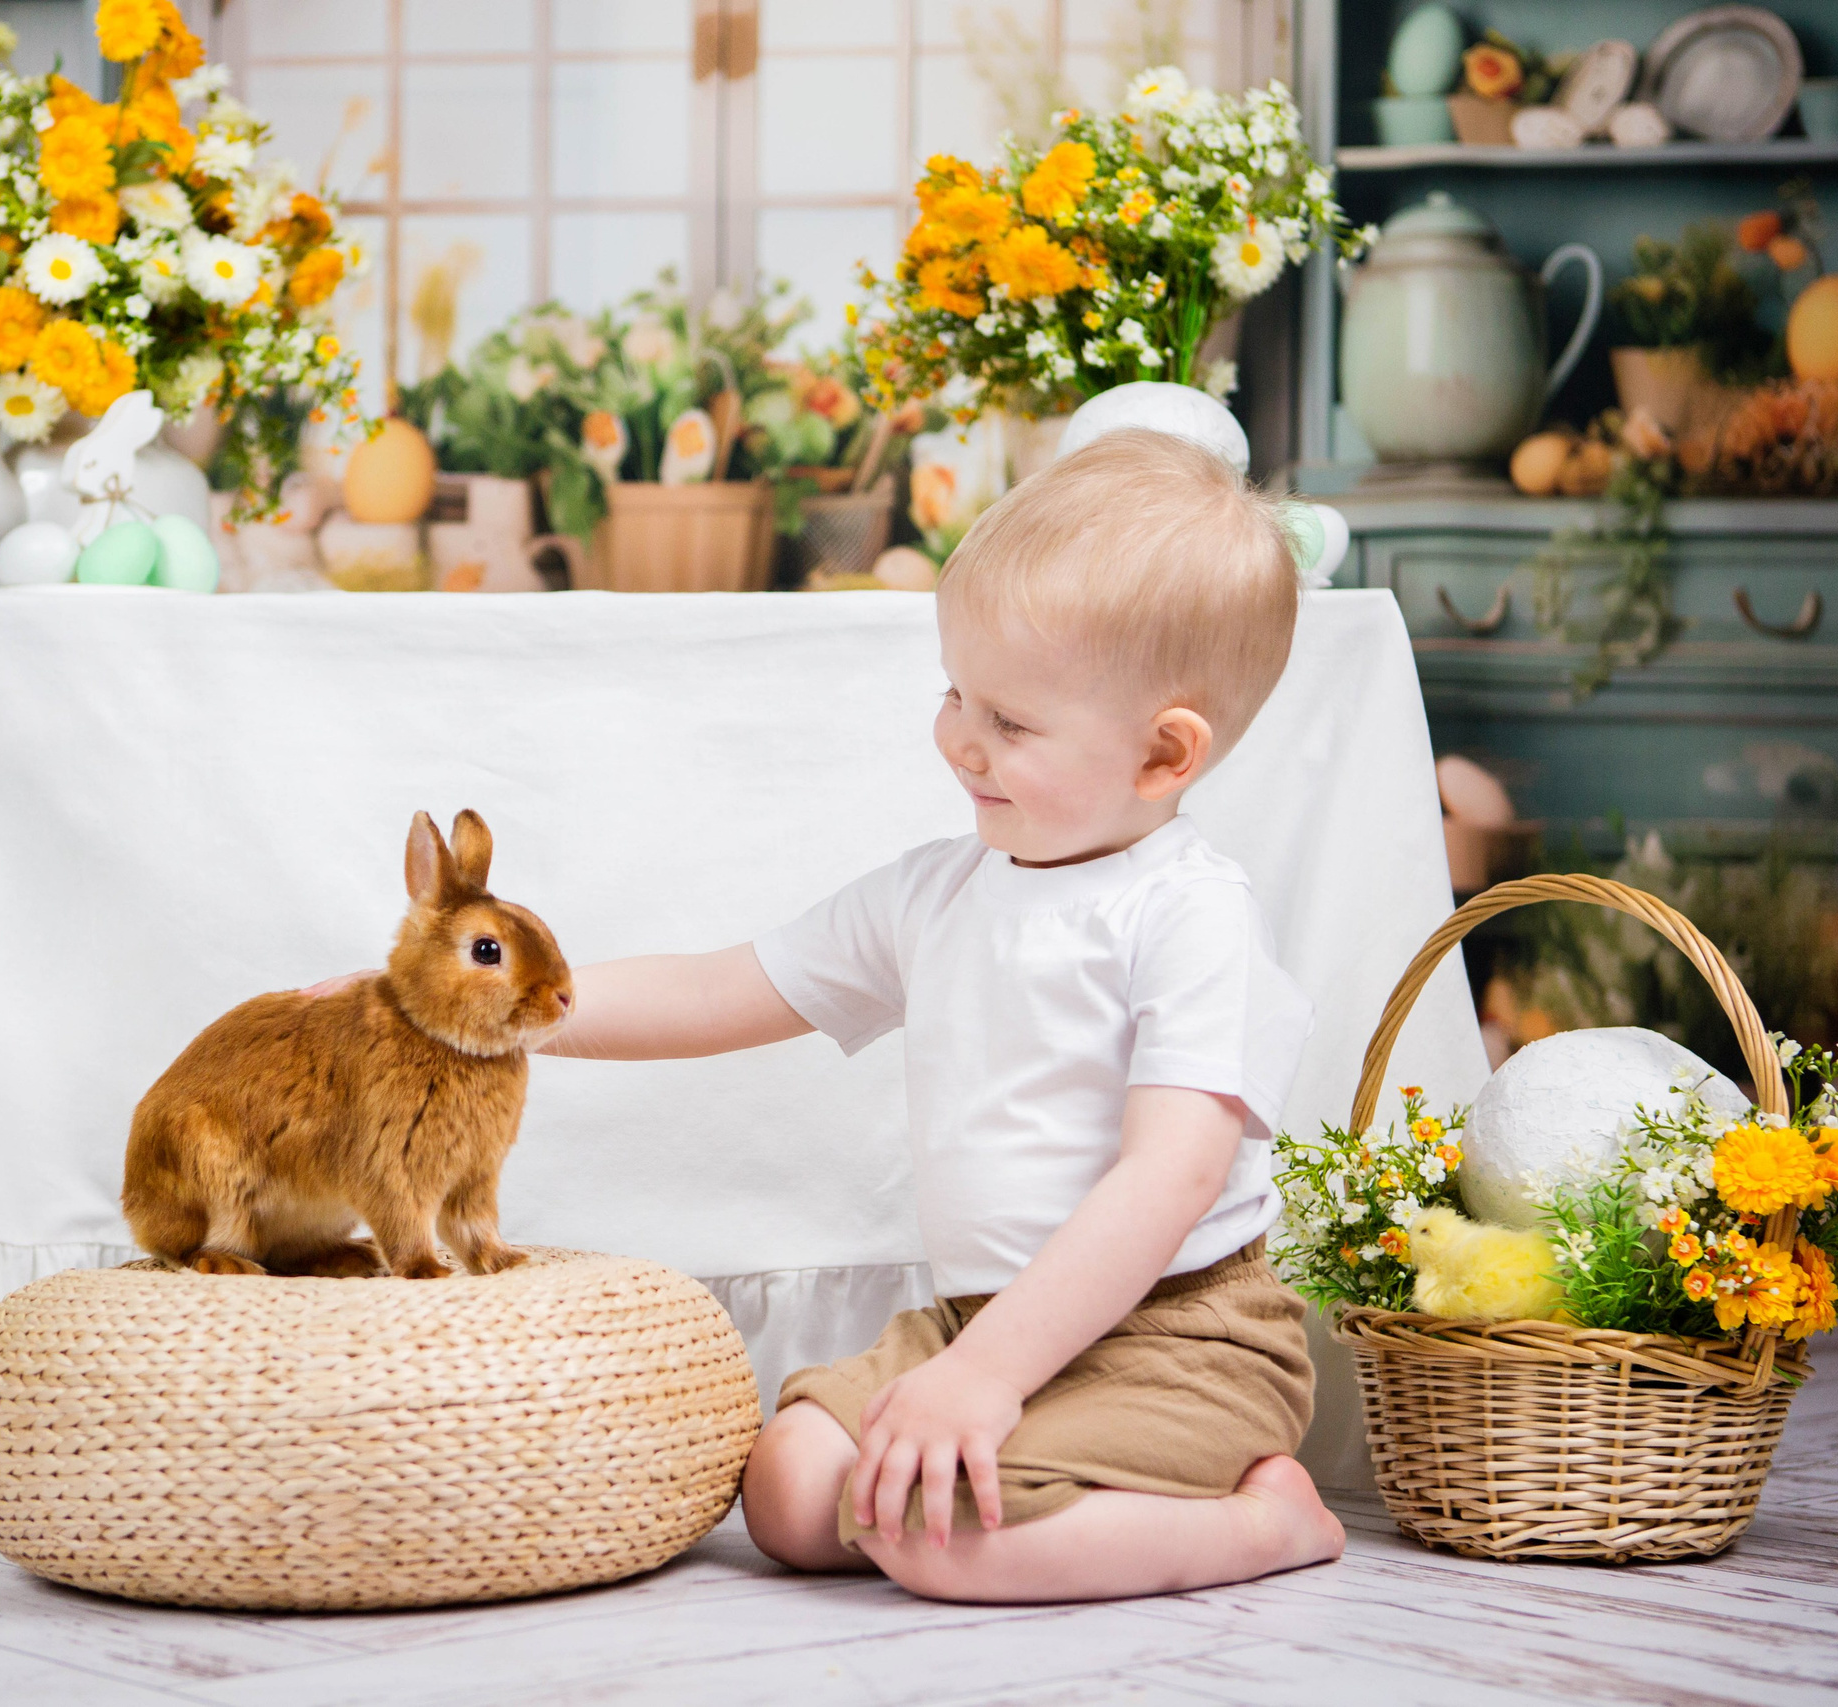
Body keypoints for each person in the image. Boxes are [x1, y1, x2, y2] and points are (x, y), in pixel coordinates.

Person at [320, 428, 1345, 1602]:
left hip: (1176, 1339)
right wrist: (465, 1011)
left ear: (1163, 755)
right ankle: (1059, 1472)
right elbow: (718, 988)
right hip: (981, 1321)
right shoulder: (939, 894)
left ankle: (1263, 1525)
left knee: (933, 1540)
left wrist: (986, 1379)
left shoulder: (1191, 915)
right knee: (792, 1495)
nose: (960, 740)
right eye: (955, 693)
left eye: (1011, 724)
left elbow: (1164, 1183)